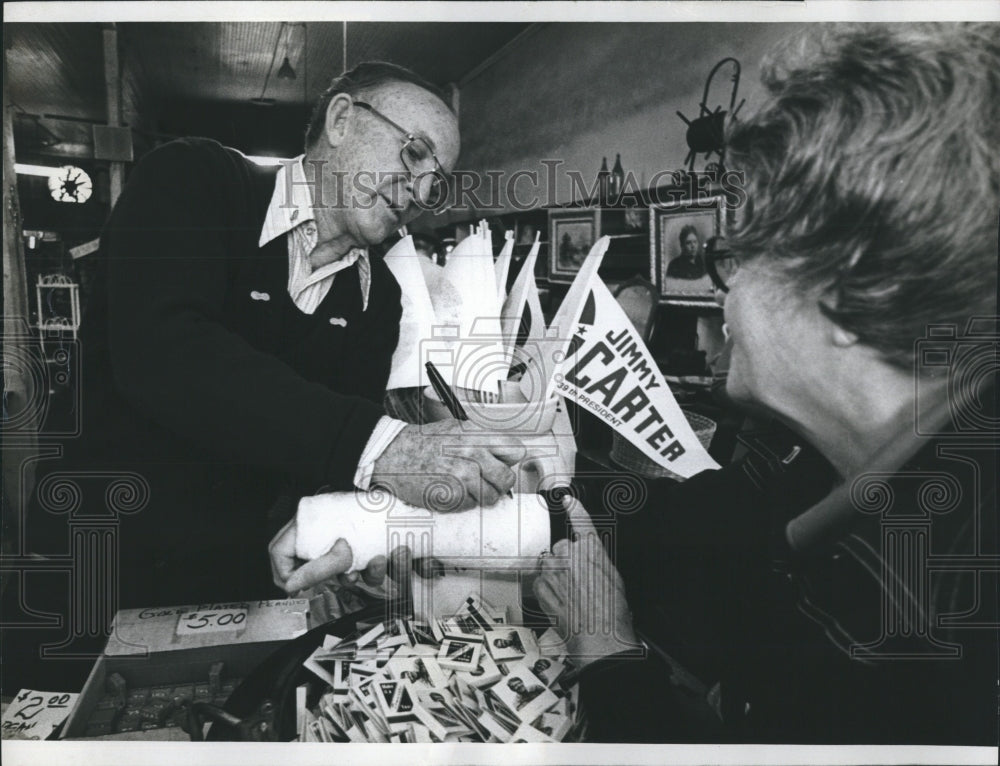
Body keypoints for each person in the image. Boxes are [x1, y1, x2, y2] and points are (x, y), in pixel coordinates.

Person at [535, 24, 998, 745]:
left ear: (846, 284)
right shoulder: (849, 477)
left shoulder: (950, 601)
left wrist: (607, 650)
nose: (722, 296)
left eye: (737, 254)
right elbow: (718, 535)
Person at [8, 62, 526, 692]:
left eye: (437, 181)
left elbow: (322, 469)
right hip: (91, 562)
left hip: (229, 592)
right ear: (340, 121)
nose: (420, 188)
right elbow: (163, 354)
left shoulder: (379, 300)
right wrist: (381, 444)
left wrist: (343, 542)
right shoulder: (194, 179)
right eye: (413, 153)